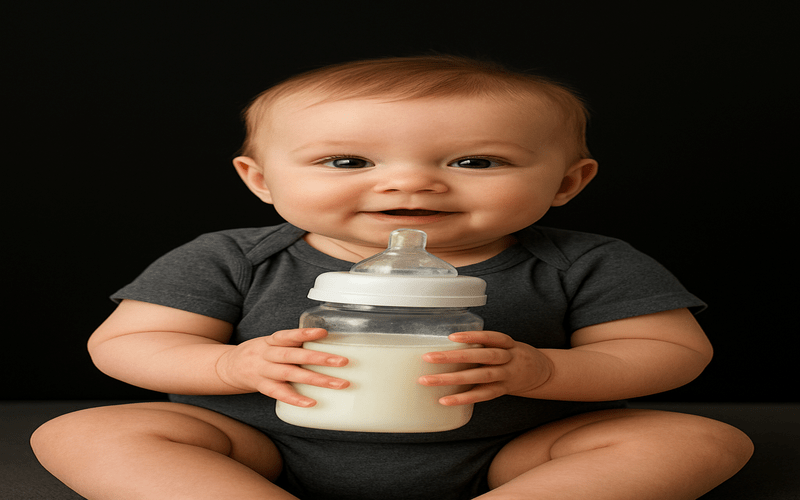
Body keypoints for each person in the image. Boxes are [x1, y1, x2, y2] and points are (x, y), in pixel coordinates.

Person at [31, 55, 753, 500]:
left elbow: (671, 352)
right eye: (348, 161)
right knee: (86, 432)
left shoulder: (584, 262)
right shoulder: (234, 257)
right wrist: (232, 365)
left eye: (475, 161)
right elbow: (126, 343)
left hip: (509, 454)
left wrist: (542, 371)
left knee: (697, 441)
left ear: (568, 181)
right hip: (261, 450)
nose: (410, 183)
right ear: (260, 179)